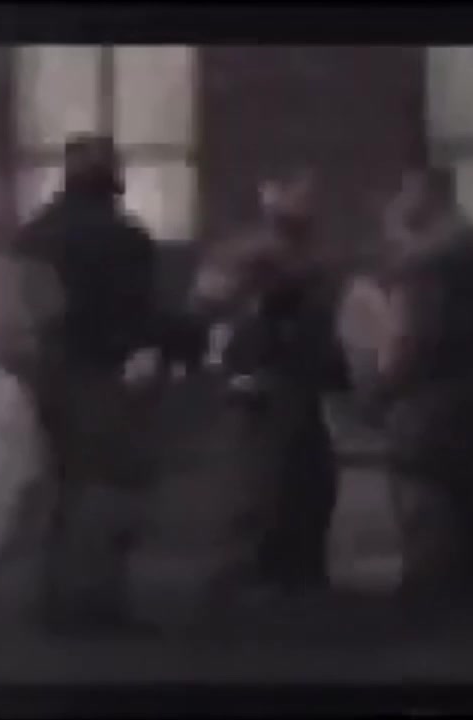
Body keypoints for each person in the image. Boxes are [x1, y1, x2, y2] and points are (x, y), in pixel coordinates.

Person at [2, 134, 189, 632]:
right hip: (99, 376)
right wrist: (180, 335)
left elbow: (19, 311)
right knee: (106, 486)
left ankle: (58, 601)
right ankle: (92, 604)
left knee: (64, 488)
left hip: (44, 375)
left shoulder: (32, 236)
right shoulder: (123, 239)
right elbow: (137, 314)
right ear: (113, 179)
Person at [187, 168, 351, 602]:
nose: (307, 205)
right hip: (261, 388)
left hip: (295, 388)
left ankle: (292, 574)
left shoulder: (310, 260)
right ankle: (250, 576)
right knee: (260, 485)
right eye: (296, 193)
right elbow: (209, 308)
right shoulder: (245, 256)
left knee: (305, 486)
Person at [367, 167, 473, 608]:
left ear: (421, 201)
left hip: (424, 398)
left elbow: (407, 337)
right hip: (468, 391)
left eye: (401, 195)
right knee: (459, 488)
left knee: (423, 492)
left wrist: (380, 387)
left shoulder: (425, 264)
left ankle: (434, 594)